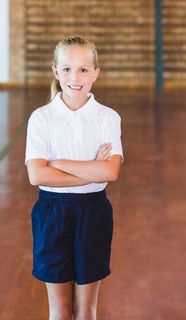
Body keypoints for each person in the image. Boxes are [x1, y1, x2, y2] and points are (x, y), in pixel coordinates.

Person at [24, 35, 124, 320]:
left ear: (95, 73)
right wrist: (91, 169)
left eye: (83, 69)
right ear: (56, 72)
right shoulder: (42, 118)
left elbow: (110, 171)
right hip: (51, 213)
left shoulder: (107, 117)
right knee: (59, 311)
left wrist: (59, 163)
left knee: (85, 311)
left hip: (93, 212)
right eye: (66, 69)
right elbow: (36, 175)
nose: (74, 77)